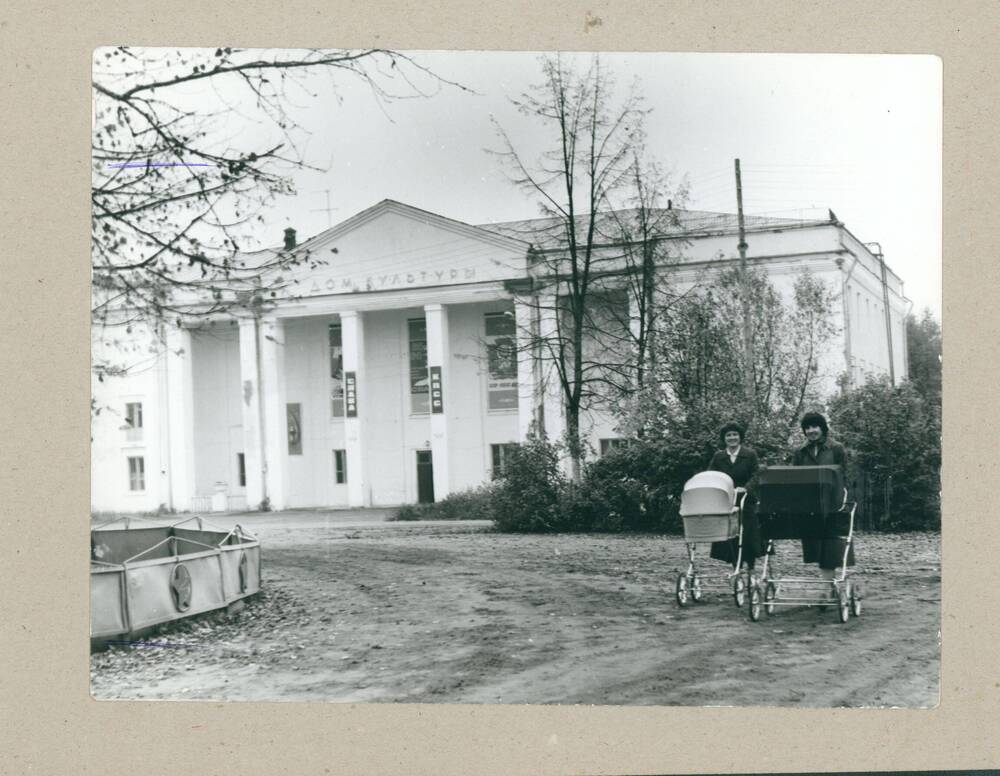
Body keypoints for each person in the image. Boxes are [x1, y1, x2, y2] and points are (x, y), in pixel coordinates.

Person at [792, 411, 855, 593]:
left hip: (832, 503)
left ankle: (827, 588)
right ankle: (828, 584)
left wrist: (844, 500)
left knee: (831, 545)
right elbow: (795, 476)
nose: (812, 431)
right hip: (809, 505)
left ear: (823, 428)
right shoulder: (800, 452)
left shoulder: (836, 448)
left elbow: (845, 475)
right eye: (808, 428)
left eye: (815, 426)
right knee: (816, 546)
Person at [708, 422, 762, 570]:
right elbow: (711, 475)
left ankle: (750, 567)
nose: (732, 438)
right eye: (728, 435)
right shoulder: (719, 457)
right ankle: (735, 567)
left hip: (746, 501)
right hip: (727, 501)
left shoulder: (750, 454)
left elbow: (756, 475)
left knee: (748, 535)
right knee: (731, 535)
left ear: (740, 437)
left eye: (735, 435)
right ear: (724, 438)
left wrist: (745, 489)